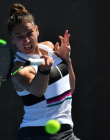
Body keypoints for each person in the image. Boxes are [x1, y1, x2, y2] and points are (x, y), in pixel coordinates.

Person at [7, 3, 80, 140]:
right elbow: (38, 91)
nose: (27, 40)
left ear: (37, 30)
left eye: (29, 33)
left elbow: (70, 88)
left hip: (66, 133)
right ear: (12, 39)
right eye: (19, 36)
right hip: (37, 134)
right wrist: (44, 72)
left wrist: (67, 59)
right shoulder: (18, 69)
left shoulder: (48, 47)